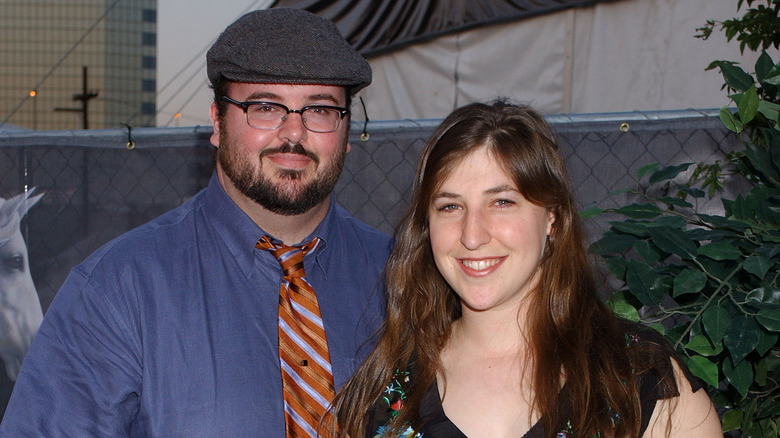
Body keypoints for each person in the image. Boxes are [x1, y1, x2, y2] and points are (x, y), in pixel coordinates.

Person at [0, 8, 392, 437]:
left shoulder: (401, 279)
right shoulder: (118, 290)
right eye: (265, 107)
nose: (293, 132)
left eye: (320, 109)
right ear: (217, 123)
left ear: (347, 130)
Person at [332, 100, 722, 438]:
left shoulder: (637, 377)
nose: (472, 235)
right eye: (450, 206)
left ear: (551, 217)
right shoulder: (386, 389)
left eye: (502, 202)